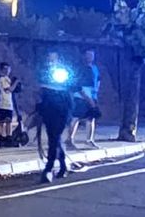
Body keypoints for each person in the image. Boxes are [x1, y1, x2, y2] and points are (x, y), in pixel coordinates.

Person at [38, 51, 75, 182]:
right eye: (49, 58)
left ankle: (49, 168)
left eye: (53, 58)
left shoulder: (63, 73)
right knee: (54, 139)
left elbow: (70, 90)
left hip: (61, 111)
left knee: (54, 139)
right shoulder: (43, 73)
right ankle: (63, 166)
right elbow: (40, 93)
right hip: (49, 111)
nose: (50, 61)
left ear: (58, 59)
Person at [67, 48, 103, 148]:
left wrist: (96, 91)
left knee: (91, 118)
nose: (90, 57)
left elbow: (98, 79)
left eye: (92, 55)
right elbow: (77, 84)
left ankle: (89, 140)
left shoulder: (94, 68)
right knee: (76, 117)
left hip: (92, 94)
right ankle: (69, 139)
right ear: (84, 56)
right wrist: (86, 96)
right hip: (81, 95)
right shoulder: (80, 68)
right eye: (88, 55)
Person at [0, 62, 19, 143]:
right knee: (2, 122)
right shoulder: (2, 79)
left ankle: (8, 136)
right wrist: (16, 82)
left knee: (8, 122)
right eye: (5, 69)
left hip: (8, 104)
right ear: (1, 69)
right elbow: (9, 89)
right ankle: (0, 137)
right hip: (2, 103)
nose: (7, 71)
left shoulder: (7, 79)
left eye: (8, 69)